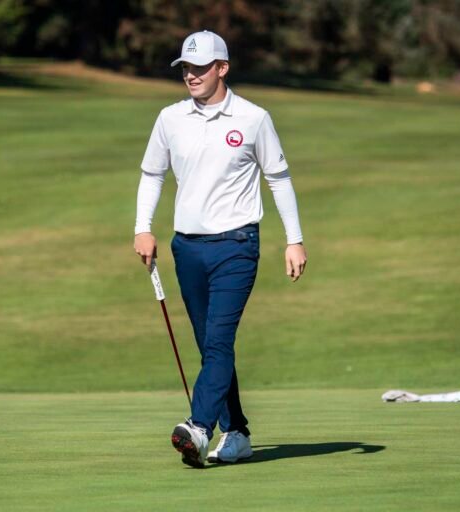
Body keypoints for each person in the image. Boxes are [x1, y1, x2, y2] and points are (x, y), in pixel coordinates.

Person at [133, 30, 307, 468]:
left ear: (222, 68)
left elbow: (278, 179)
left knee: (218, 340)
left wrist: (294, 240)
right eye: (185, 68)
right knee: (209, 344)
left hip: (236, 245)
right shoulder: (170, 118)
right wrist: (142, 228)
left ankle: (198, 426)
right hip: (187, 248)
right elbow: (152, 174)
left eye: (200, 67)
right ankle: (238, 433)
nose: (191, 75)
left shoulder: (253, 118)